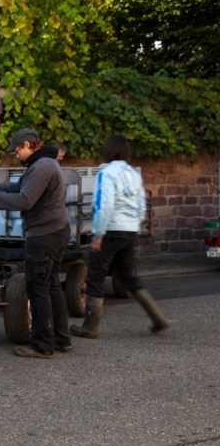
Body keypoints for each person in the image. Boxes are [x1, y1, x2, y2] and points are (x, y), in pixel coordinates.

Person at [0, 128, 72, 358]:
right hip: (57, 230)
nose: (16, 154)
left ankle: (43, 345)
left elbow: (24, 200)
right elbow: (19, 188)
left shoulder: (40, 167)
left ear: (29, 145)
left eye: (18, 149)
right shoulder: (44, 164)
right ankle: (62, 338)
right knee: (51, 285)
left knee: (37, 288)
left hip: (43, 235)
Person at [71, 135, 169, 339]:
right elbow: (142, 204)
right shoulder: (133, 173)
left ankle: (90, 327)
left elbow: (104, 204)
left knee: (96, 275)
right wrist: (135, 226)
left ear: (108, 150)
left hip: (111, 230)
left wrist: (98, 234)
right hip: (130, 230)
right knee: (128, 277)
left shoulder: (106, 173)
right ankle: (157, 318)